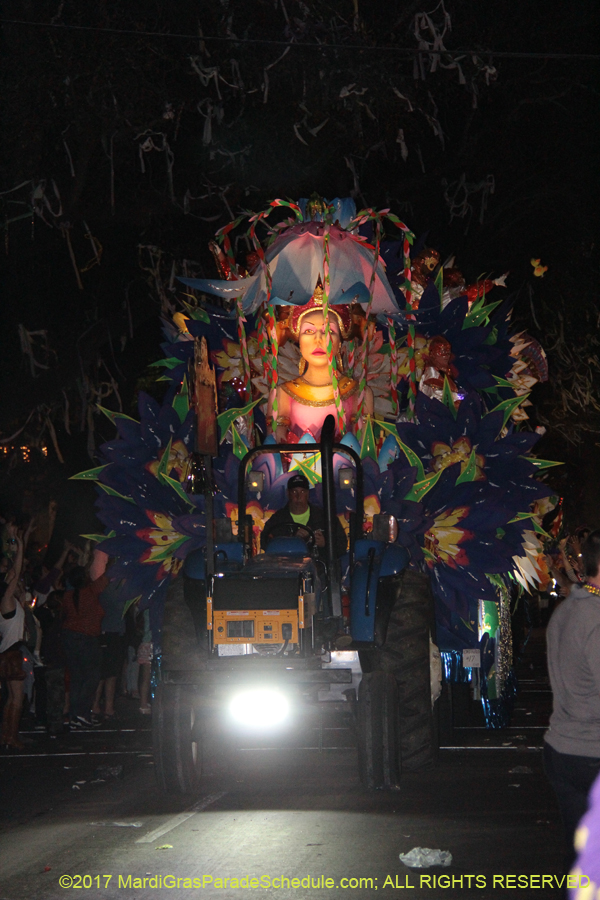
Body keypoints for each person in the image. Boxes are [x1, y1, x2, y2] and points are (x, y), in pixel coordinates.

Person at [544, 529, 600, 874]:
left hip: (562, 749)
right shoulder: (595, 618)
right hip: (592, 752)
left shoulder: (566, 611)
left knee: (581, 859)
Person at [266, 283, 373, 443]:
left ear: (339, 342)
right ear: (299, 340)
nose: (319, 339)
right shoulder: (282, 394)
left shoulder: (359, 393)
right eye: (309, 331)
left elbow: (365, 449)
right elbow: (274, 450)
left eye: (329, 331)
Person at [61, 550, 108, 729]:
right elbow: (106, 577)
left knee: (76, 677)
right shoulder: (91, 591)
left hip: (70, 637)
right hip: (86, 638)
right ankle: (82, 712)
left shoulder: (67, 596)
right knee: (91, 676)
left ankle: (75, 715)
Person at [261, 473, 347, 561]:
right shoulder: (278, 519)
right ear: (288, 493)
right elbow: (265, 542)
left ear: (308, 493)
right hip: (287, 569)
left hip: (319, 569)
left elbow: (342, 546)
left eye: (302, 491)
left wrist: (326, 543)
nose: (298, 497)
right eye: (294, 492)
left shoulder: (324, 517)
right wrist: (292, 539)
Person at [0, 528, 26, 750]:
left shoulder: (12, 602)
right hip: (12, 653)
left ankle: (6, 736)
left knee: (10, 697)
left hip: (7, 653)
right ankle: (12, 737)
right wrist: (20, 546)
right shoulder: (6, 600)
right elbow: (16, 572)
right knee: (17, 698)